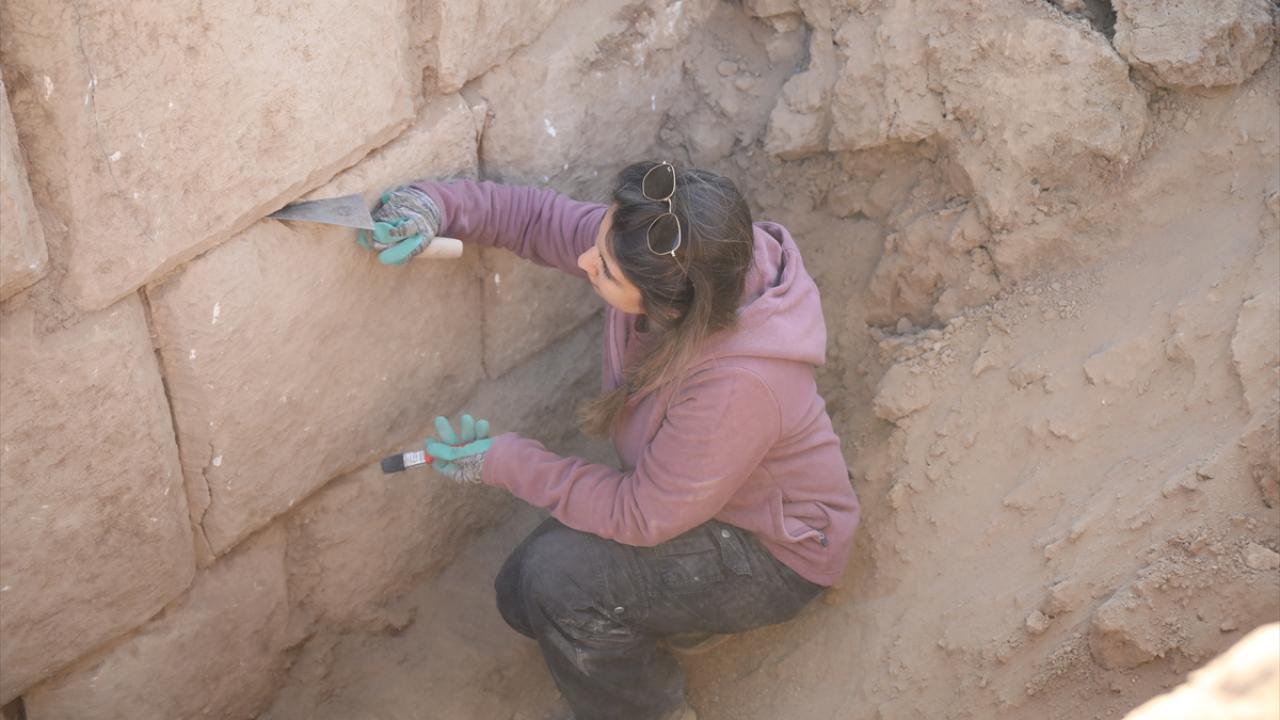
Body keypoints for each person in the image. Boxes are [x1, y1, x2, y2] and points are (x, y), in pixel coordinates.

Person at [366, 161, 861, 720]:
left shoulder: (739, 386)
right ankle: (678, 616)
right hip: (697, 500)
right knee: (521, 596)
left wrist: (504, 461)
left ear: (668, 306)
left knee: (554, 583)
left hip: (774, 552)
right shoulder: (671, 256)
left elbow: (641, 513)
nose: (585, 261)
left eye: (603, 270)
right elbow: (535, 220)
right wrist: (434, 206)